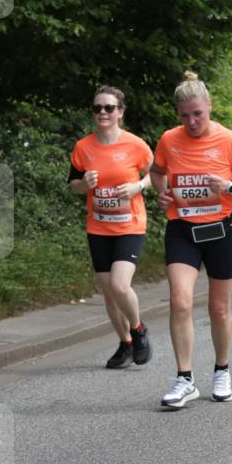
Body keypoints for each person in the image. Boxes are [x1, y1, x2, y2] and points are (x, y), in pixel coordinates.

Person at [150, 72, 232, 410]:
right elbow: (156, 171)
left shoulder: (229, 140)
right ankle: (184, 379)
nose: (192, 121)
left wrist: (227, 187)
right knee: (180, 301)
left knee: (218, 308)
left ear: (209, 106)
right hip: (183, 229)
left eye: (197, 113)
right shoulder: (170, 139)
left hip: (223, 230)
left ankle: (222, 370)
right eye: (184, 115)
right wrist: (161, 193)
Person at [69, 87, 153, 368]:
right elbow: (74, 186)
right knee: (108, 292)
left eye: (108, 108)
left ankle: (138, 330)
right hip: (98, 228)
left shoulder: (135, 145)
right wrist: (85, 184)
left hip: (130, 226)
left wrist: (138, 186)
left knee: (120, 285)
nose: (102, 113)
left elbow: (157, 173)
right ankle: (125, 343)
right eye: (97, 108)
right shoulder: (83, 147)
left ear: (120, 111)